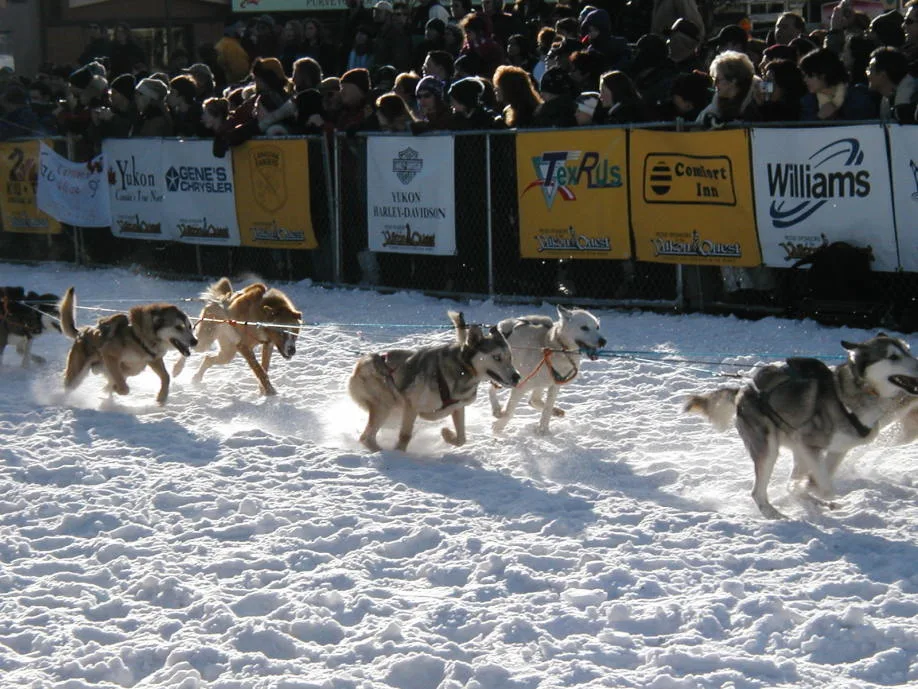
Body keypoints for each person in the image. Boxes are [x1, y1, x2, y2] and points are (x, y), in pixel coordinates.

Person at [799, 48, 878, 120]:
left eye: (809, 75)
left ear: (823, 74)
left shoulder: (859, 96)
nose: (805, 80)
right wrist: (819, 118)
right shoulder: (808, 102)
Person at [696, 50, 760, 128]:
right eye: (714, 79)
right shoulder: (716, 105)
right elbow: (695, 127)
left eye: (718, 79)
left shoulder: (757, 99)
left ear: (733, 80)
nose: (714, 84)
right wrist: (707, 119)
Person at [867, 46, 918, 123]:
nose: (867, 74)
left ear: (882, 74)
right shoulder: (886, 100)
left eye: (870, 69)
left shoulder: (913, 101)